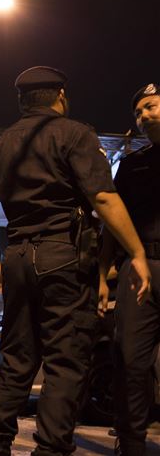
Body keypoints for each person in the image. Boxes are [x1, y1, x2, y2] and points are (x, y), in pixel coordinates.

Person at [0, 66, 151, 456]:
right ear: (61, 96)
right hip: (63, 256)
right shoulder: (75, 134)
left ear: (22, 101)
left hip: (17, 256)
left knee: (17, 359)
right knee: (66, 362)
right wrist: (137, 252)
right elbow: (102, 197)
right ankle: (50, 449)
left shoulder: (0, 144)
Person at [99, 83, 159, 456]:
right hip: (140, 269)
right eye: (138, 112)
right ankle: (132, 442)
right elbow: (112, 224)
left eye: (151, 106)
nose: (143, 116)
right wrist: (103, 275)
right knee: (130, 359)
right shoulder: (134, 164)